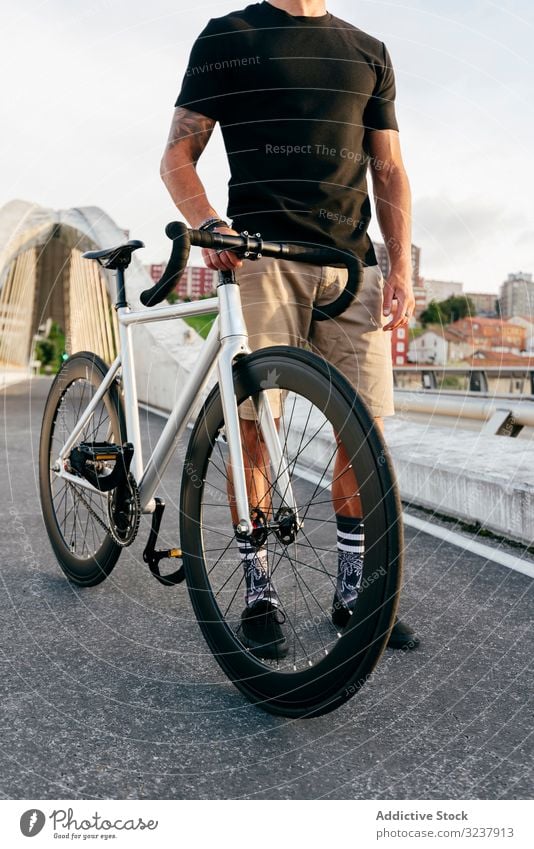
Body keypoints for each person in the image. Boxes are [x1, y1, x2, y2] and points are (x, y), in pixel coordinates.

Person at [161, 0, 419, 656]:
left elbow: (388, 169)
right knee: (253, 424)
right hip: (260, 257)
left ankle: (355, 591)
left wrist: (401, 269)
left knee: (364, 433)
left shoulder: (369, 51)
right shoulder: (230, 37)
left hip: (350, 267)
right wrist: (211, 223)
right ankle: (257, 588)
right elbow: (177, 157)